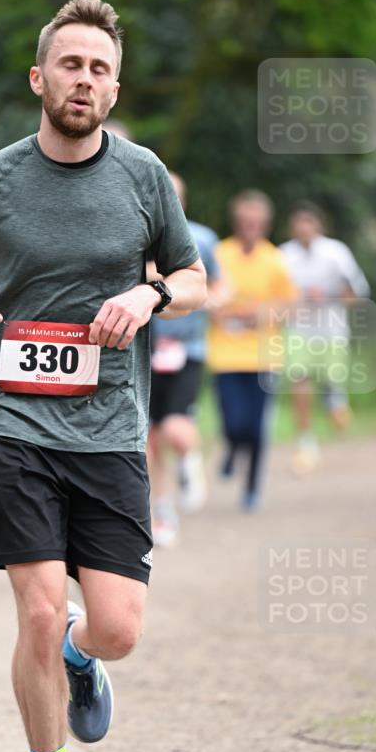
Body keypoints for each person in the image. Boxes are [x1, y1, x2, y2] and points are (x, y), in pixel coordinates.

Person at [0, 0, 206, 752]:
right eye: (70, 65)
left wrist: (148, 292)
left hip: (111, 426)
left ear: (115, 89)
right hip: (15, 422)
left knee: (113, 627)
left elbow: (192, 280)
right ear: (40, 78)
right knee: (38, 611)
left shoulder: (144, 176)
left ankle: (86, 659)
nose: (84, 80)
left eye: (100, 69)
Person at [206, 190, 297, 511]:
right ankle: (232, 446)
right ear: (237, 221)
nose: (250, 226)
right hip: (226, 355)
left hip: (264, 356)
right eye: (245, 221)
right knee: (233, 422)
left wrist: (260, 314)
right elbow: (206, 293)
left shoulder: (275, 259)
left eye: (256, 222)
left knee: (258, 427)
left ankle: (252, 486)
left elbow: (289, 306)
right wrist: (221, 310)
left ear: (265, 224)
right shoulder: (220, 253)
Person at [147, 172, 221, 547]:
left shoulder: (203, 239)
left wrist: (215, 299)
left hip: (188, 350)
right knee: (150, 439)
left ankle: (190, 463)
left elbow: (217, 284)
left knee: (175, 428)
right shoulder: (140, 238)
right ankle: (162, 511)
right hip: (145, 350)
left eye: (173, 197)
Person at [279, 201, 371, 475]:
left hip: (332, 331)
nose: (303, 228)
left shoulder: (336, 252)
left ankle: (337, 405)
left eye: (309, 222)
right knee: (300, 381)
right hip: (299, 331)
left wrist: (327, 297)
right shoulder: (283, 255)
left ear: (318, 226)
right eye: (298, 222)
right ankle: (305, 441)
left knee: (331, 384)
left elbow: (357, 295)